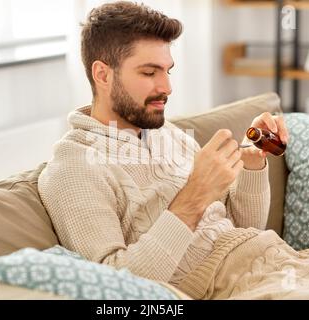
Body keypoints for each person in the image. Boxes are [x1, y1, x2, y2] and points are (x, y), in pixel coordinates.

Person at [38, 1, 289, 285]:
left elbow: (244, 230)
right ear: (103, 74)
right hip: (246, 288)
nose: (167, 88)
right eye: (149, 72)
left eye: (167, 71)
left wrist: (251, 162)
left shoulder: (169, 135)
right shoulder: (74, 167)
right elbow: (115, 287)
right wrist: (195, 196)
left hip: (278, 263)